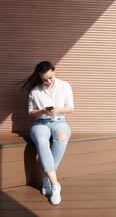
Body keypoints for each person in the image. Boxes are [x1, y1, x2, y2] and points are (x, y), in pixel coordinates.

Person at [21, 61, 74, 205]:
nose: (48, 81)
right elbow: (31, 112)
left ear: (54, 71)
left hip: (59, 122)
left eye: (51, 77)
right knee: (41, 140)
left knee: (62, 137)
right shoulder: (35, 90)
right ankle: (55, 185)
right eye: (45, 79)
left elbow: (70, 107)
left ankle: (47, 178)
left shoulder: (65, 85)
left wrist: (57, 110)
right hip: (40, 123)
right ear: (39, 77)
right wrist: (43, 111)